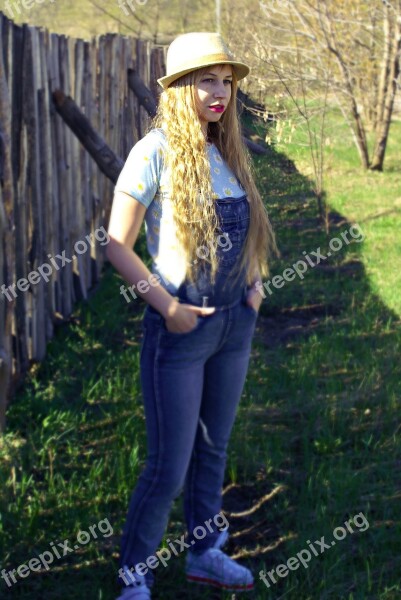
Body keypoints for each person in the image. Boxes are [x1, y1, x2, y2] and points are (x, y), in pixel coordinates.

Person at [106, 31, 278, 599]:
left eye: (225, 81)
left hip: (234, 327)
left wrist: (254, 282)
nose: (220, 92)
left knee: (213, 451)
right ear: (180, 87)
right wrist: (168, 307)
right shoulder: (152, 152)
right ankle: (134, 578)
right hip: (181, 333)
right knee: (168, 467)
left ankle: (205, 553)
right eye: (206, 80)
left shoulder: (228, 150)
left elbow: (247, 230)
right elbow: (116, 246)